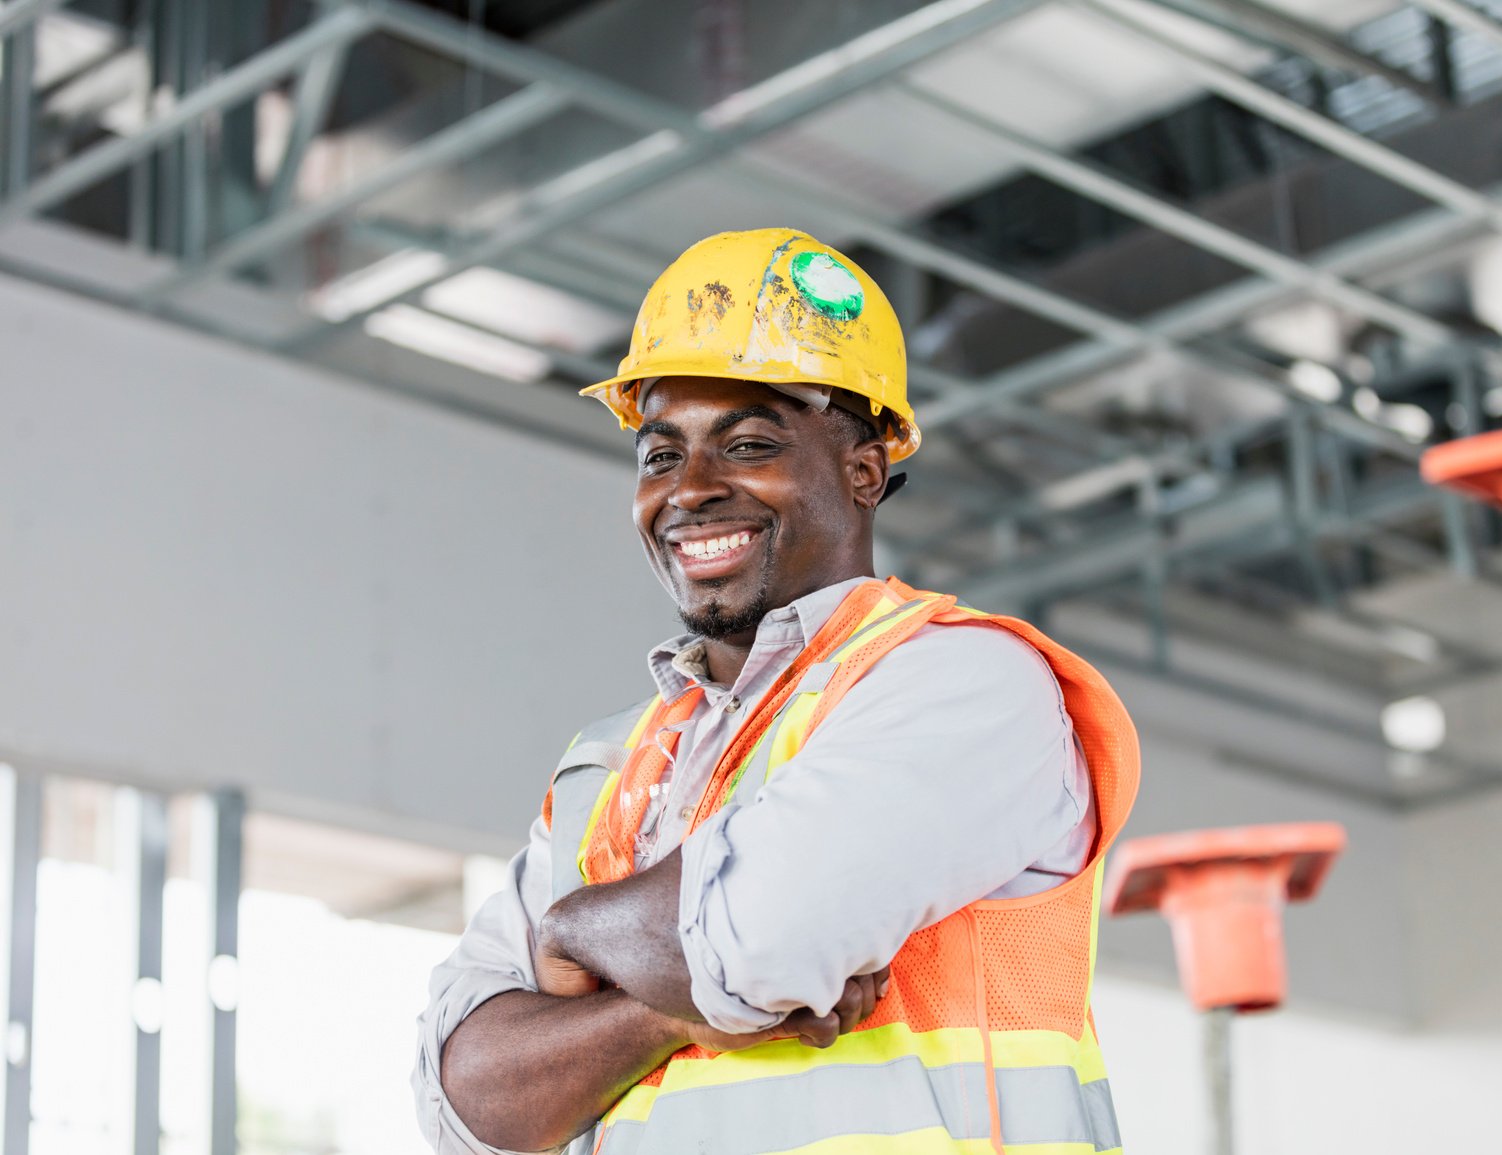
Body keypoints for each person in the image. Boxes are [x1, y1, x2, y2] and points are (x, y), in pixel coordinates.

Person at [412, 228, 1141, 1155]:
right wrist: (664, 1008)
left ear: (864, 470)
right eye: (659, 455)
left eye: (748, 443)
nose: (691, 490)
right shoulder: (607, 771)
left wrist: (574, 944)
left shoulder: (966, 682)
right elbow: (467, 1100)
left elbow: (761, 947)